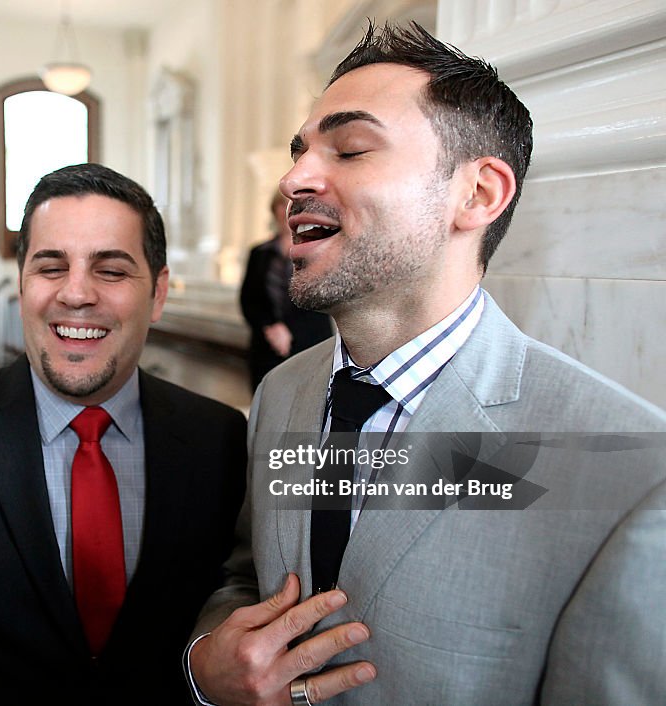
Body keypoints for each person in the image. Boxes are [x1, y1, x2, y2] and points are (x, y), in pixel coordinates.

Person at [188, 22, 666, 706]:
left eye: (350, 149)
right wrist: (210, 663)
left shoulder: (633, 477)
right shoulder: (283, 392)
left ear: (476, 195)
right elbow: (247, 579)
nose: (295, 178)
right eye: (300, 153)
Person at [0, 163, 247, 704]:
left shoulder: (217, 438)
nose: (76, 294)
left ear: (159, 292)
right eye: (51, 266)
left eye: (112, 270)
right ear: (22, 280)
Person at [240, 191, 332, 391]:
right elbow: (248, 300)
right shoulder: (259, 253)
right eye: (280, 205)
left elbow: (323, 294)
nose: (285, 210)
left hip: (310, 341)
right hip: (267, 346)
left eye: (290, 204)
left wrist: (292, 331)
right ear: (274, 210)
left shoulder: (318, 248)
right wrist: (270, 327)